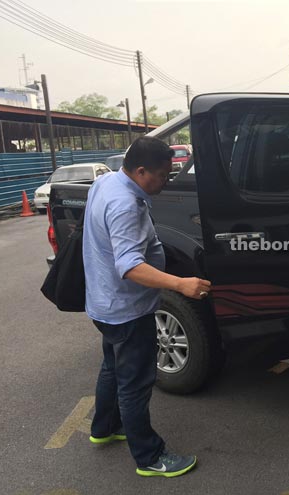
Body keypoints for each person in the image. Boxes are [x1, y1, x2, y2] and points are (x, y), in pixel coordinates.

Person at [83, 136, 211, 478]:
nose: (167, 181)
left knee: (112, 368)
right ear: (140, 171)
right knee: (135, 384)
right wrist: (180, 284)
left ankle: (104, 427)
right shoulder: (125, 204)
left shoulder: (107, 181)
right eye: (163, 175)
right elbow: (130, 266)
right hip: (127, 309)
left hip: (103, 302)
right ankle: (149, 456)